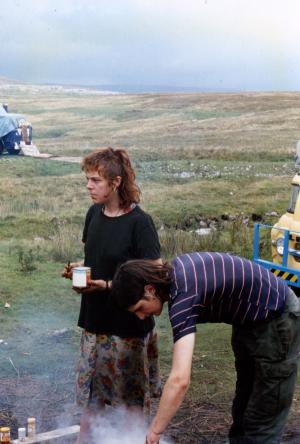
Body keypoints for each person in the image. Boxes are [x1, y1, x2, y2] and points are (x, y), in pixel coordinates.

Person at [110, 252, 300, 444]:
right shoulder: (177, 277)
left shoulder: (184, 295)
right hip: (249, 320)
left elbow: (180, 380)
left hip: (278, 316)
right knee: (244, 400)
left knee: (265, 411)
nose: (141, 317)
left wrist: (155, 431)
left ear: (150, 290)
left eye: (139, 308)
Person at [62, 147, 162, 442]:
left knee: (130, 402)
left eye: (96, 180)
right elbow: (96, 256)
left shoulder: (139, 224)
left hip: (128, 329)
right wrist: (80, 270)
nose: (89, 186)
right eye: (88, 180)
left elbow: (153, 279)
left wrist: (106, 285)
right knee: (92, 400)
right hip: (94, 324)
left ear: (116, 182)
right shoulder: (93, 213)